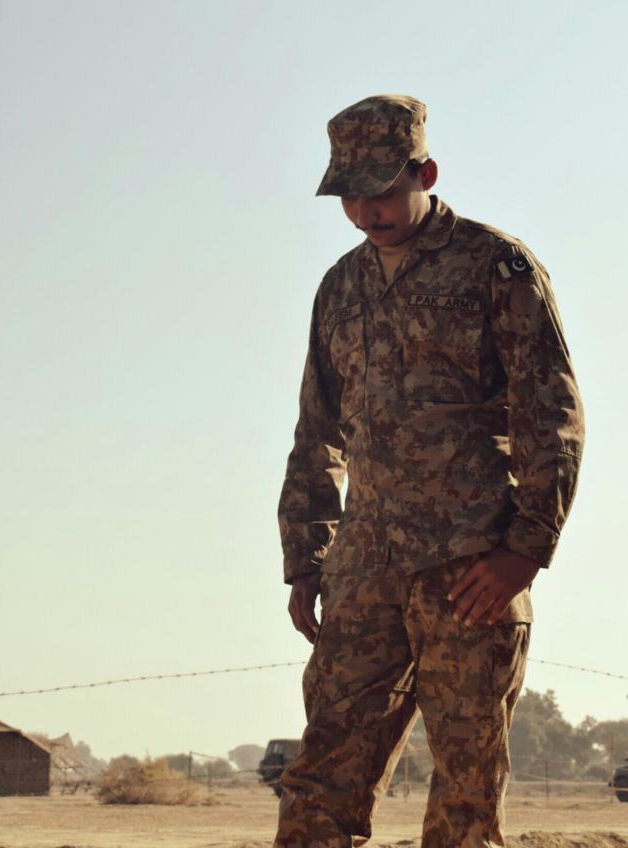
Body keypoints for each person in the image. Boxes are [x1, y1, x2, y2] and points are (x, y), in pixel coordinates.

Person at [274, 95, 584, 848]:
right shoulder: (339, 288)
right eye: (350, 196)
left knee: (464, 796)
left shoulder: (495, 266)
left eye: (381, 191)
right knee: (320, 780)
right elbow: (317, 432)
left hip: (470, 568)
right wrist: (306, 560)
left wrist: (524, 551)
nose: (366, 212)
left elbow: (550, 413)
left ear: (426, 173)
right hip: (363, 571)